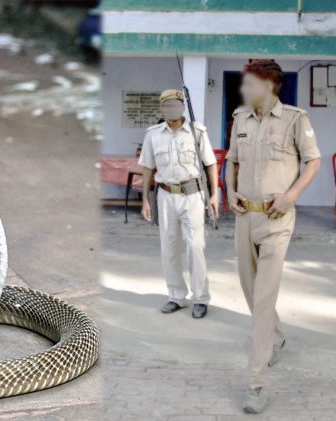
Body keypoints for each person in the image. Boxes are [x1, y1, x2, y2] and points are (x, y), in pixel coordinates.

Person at [225, 60, 321, 413]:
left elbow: (313, 161)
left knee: (263, 299)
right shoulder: (240, 119)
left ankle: (256, 382)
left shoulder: (296, 119)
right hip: (244, 217)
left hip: (276, 218)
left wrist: (291, 195)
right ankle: (276, 337)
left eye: (249, 83)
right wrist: (229, 190)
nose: (244, 90)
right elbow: (231, 161)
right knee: (252, 291)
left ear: (268, 85)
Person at [138, 89, 219, 319]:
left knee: (195, 247)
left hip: (192, 195)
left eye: (175, 105)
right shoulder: (153, 134)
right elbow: (147, 168)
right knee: (169, 247)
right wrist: (145, 199)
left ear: (182, 107)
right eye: (167, 105)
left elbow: (211, 164)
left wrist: (214, 195)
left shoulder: (197, 131)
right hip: (165, 195)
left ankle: (200, 298)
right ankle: (176, 296)